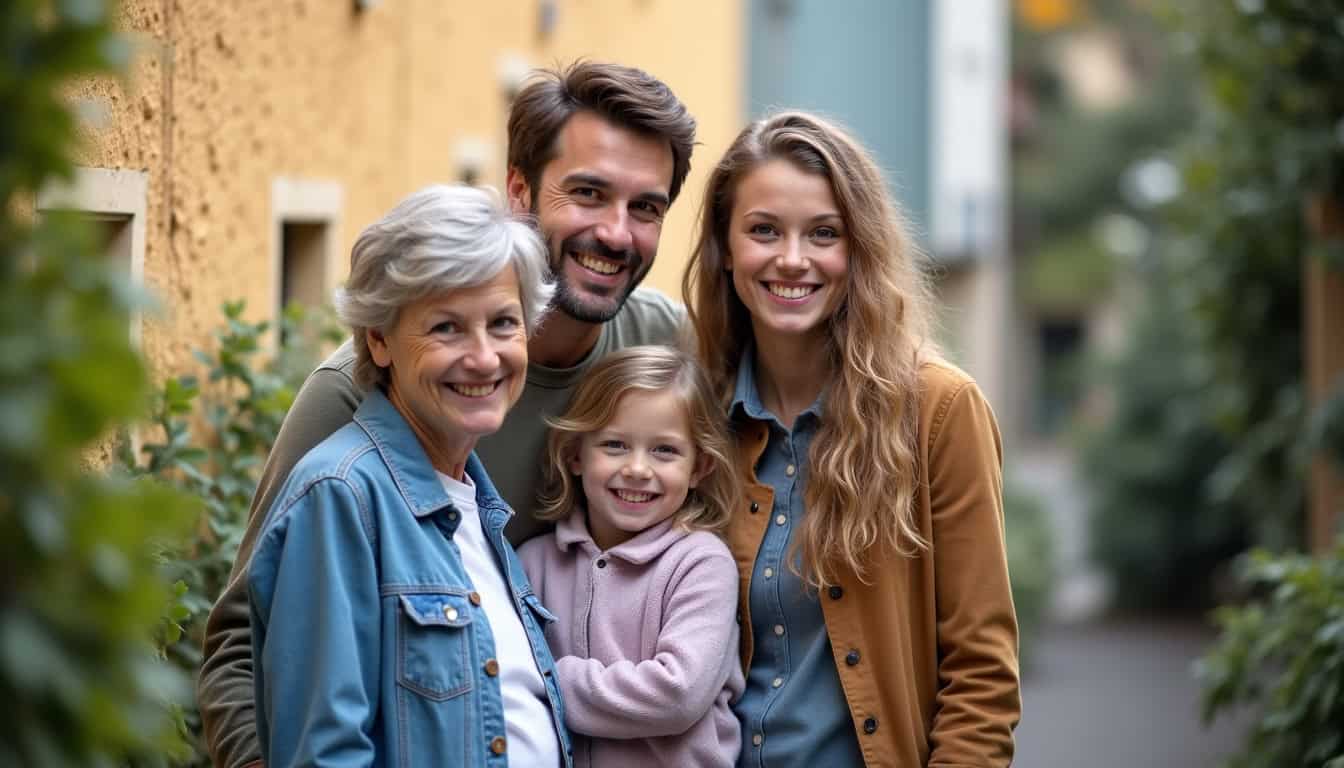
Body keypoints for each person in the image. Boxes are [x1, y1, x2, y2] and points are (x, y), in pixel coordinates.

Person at [200, 60, 696, 768]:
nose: (616, 234)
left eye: (645, 207)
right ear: (519, 191)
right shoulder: (362, 400)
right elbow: (244, 645)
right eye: (588, 193)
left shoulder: (663, 353)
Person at [683, 111, 1021, 767]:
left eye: (823, 233)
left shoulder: (939, 411)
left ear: (859, 246)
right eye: (763, 230)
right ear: (726, 247)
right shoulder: (690, 416)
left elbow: (982, 677)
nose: (791, 258)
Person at [249, 184, 567, 765]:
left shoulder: (475, 502)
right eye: (446, 327)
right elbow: (325, 753)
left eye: (502, 323)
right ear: (379, 339)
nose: (483, 357)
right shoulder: (341, 498)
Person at [518, 345, 745, 768]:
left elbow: (676, 695)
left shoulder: (700, 563)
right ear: (575, 455)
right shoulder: (532, 563)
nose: (638, 468)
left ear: (699, 468)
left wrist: (546, 677)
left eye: (665, 451)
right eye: (615, 445)